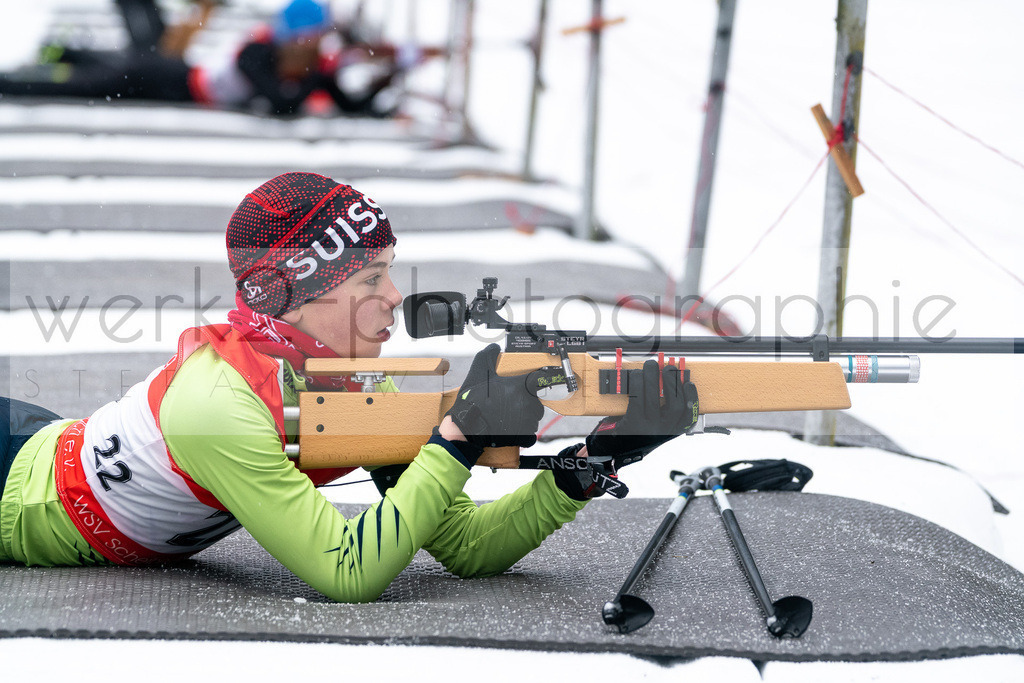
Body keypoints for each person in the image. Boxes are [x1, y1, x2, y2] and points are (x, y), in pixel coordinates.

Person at [0, 172, 697, 602]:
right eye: (370, 279)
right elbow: (347, 572)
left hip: (38, 437)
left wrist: (590, 464)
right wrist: (456, 437)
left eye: (390, 270)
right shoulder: (216, 402)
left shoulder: (345, 386)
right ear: (297, 295)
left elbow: (466, 548)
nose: (395, 296)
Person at [0, 0, 406, 117]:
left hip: (177, 84)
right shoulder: (258, 51)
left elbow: (351, 106)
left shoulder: (310, 69)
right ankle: (12, 81)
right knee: (87, 86)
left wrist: (388, 79)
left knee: (106, 73)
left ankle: (63, 52)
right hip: (173, 79)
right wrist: (321, 76)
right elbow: (281, 102)